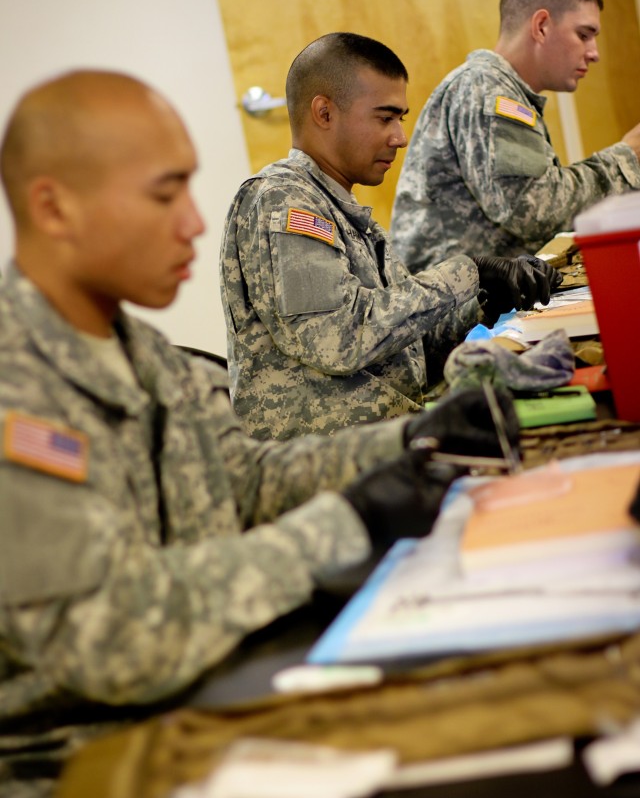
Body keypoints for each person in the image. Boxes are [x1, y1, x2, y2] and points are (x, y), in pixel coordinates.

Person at [0, 69, 520, 798]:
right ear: (53, 207)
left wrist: (407, 443)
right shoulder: (13, 394)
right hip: (78, 759)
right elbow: (114, 636)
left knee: (489, 702)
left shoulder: (142, 353)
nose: (193, 222)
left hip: (205, 688)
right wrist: (342, 524)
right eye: (163, 193)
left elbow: (241, 480)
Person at [220, 32, 557, 441]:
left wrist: (486, 304)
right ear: (324, 113)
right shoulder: (283, 200)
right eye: (385, 118)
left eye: (400, 118)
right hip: (329, 472)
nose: (399, 136)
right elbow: (338, 339)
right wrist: (468, 273)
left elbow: (401, 354)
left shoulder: (345, 212)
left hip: (386, 443)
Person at [390, 0, 640, 272]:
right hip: (459, 314)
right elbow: (533, 210)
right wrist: (626, 158)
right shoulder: (487, 89)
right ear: (542, 26)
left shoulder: (501, 91)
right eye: (584, 34)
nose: (594, 52)